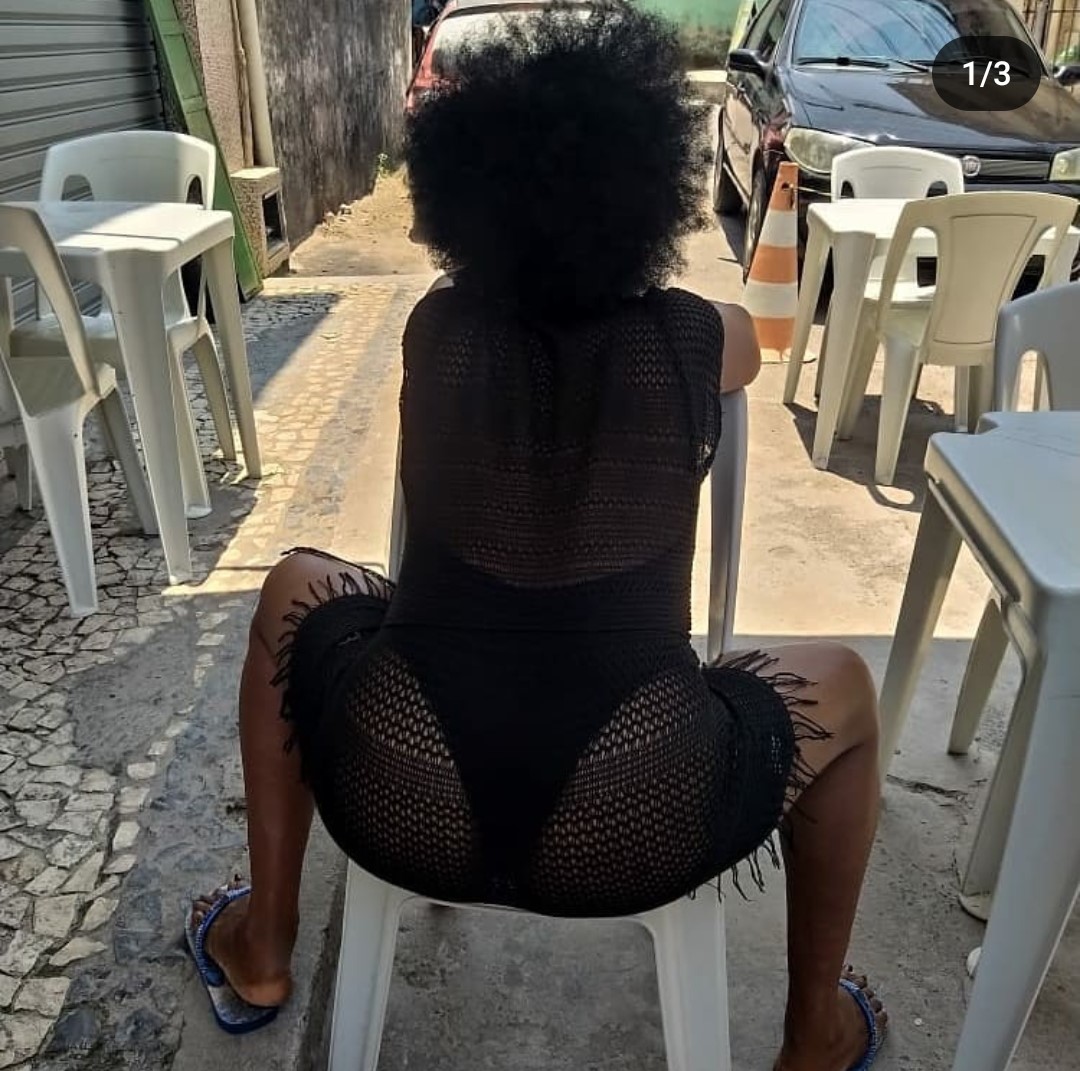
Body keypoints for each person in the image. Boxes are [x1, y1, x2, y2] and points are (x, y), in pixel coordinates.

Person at [186, 4, 887, 1068]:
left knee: (292, 581)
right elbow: (753, 343)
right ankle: (815, 1030)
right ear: (647, 192)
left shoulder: (436, 329)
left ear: (465, 194)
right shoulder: (695, 338)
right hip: (637, 813)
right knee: (847, 686)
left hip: (400, 790)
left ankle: (265, 941)